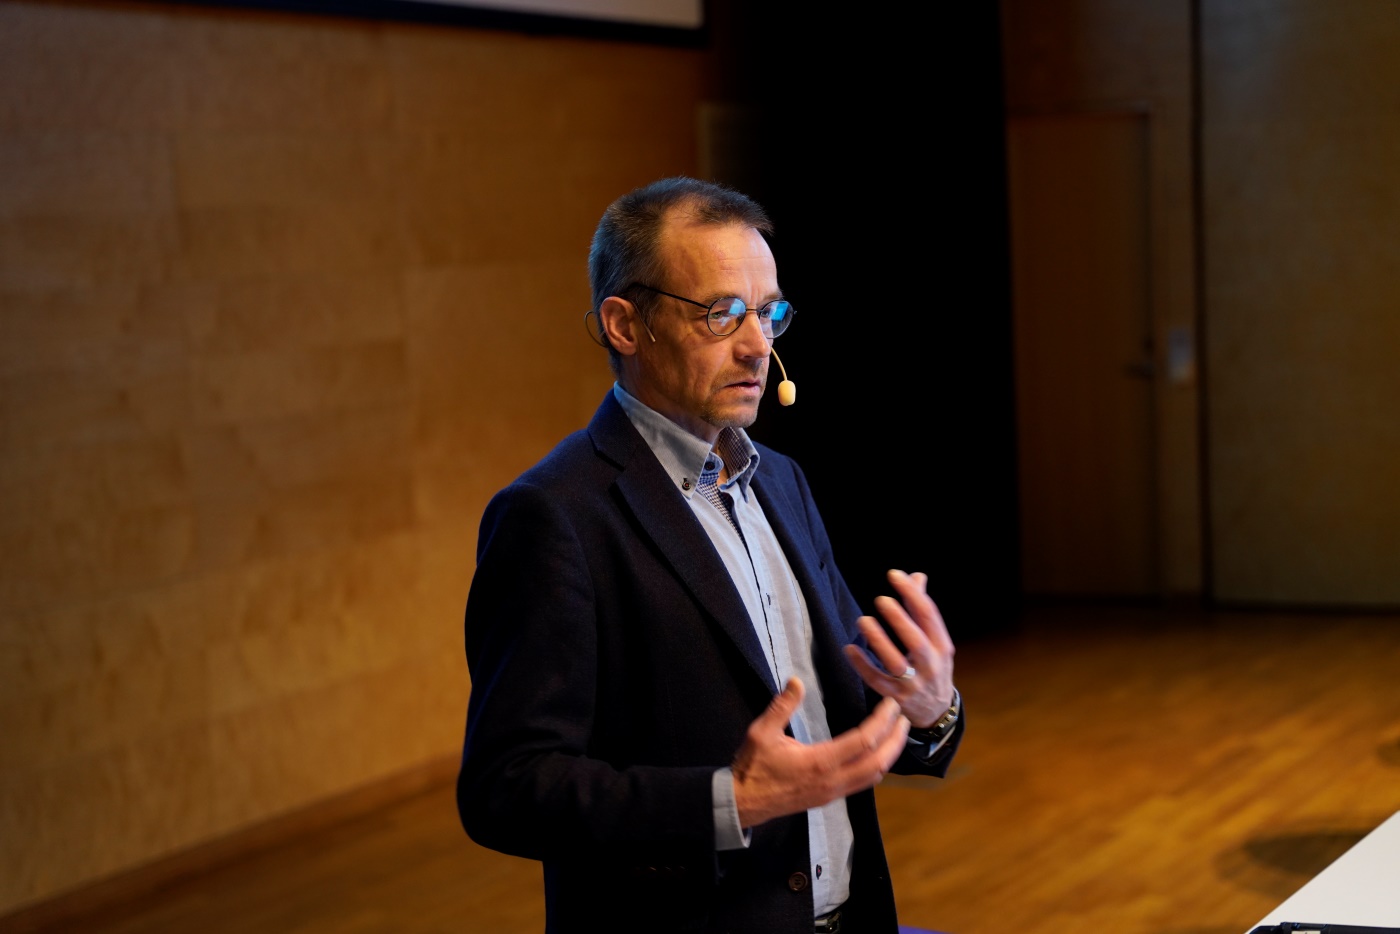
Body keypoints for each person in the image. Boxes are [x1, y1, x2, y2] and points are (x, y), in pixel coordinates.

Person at [457, 177, 964, 934]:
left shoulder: (782, 481)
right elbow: (507, 789)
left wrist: (924, 707)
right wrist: (729, 802)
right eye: (721, 313)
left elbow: (838, 710)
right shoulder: (552, 516)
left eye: (769, 313)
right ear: (625, 325)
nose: (759, 345)